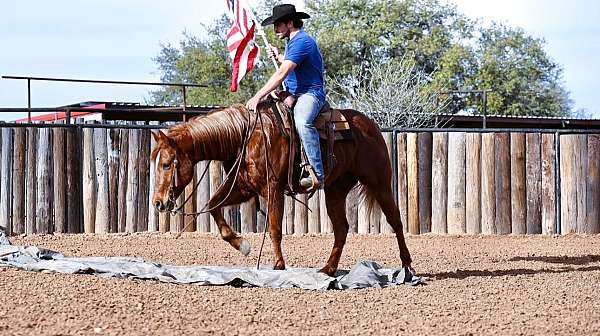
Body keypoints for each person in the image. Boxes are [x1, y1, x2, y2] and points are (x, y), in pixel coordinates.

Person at [245, 4, 326, 190]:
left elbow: (282, 74)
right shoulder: (292, 43)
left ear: (290, 23)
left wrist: (258, 95)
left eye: (278, 24)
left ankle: (317, 173)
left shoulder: (302, 41)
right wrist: (280, 55)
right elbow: (293, 64)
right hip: (293, 93)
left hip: (310, 94)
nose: (275, 29)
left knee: (302, 121)